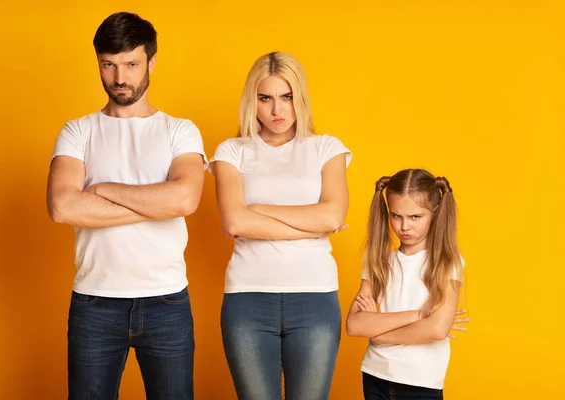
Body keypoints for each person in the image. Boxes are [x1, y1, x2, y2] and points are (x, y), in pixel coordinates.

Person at [46, 12, 206, 400]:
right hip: (94, 302)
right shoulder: (77, 131)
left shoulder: (179, 130)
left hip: (166, 300)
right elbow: (63, 207)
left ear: (151, 62)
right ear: (98, 64)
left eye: (131, 64)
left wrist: (101, 189)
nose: (120, 78)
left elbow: (185, 198)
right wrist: (156, 203)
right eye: (109, 65)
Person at [209, 51, 351, 400]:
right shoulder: (232, 151)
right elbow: (235, 220)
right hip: (248, 298)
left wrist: (259, 210)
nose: (277, 110)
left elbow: (332, 216)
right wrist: (312, 226)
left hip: (315, 297)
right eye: (265, 98)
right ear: (252, 101)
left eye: (286, 97)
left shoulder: (325, 148)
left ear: (299, 98)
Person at [346, 169, 469, 400]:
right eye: (396, 216)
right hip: (375, 375)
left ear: (435, 213)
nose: (404, 227)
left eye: (415, 217)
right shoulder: (378, 261)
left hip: (419, 382)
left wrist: (379, 334)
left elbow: (437, 329)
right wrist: (419, 314)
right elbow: (355, 325)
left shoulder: (446, 262)